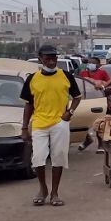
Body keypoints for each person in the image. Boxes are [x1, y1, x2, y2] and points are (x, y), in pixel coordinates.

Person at [20, 45, 82, 207]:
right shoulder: (32, 78)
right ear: (40, 59)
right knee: (38, 158)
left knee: (58, 157)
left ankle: (55, 193)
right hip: (39, 122)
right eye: (47, 58)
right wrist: (24, 128)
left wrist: (70, 112)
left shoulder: (66, 76)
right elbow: (28, 105)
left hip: (60, 122)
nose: (51, 60)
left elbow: (77, 97)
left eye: (54, 57)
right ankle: (43, 189)